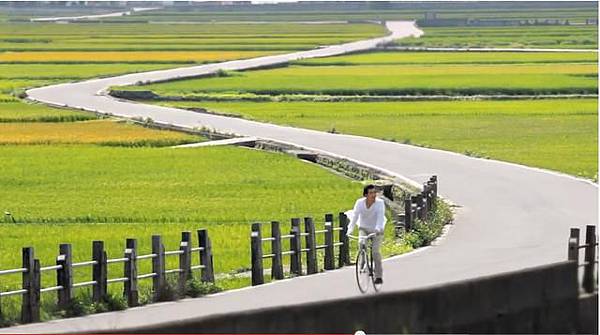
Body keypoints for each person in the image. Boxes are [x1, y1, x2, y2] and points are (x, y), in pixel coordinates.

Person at [346, 184, 386, 284]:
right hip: (363, 228)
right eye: (371, 193)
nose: (373, 195)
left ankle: (378, 276)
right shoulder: (359, 203)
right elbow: (355, 216)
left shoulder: (380, 203)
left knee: (375, 252)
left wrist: (377, 229)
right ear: (365, 195)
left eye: (374, 193)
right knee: (361, 243)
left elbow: (380, 216)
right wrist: (350, 229)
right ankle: (363, 263)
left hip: (377, 229)